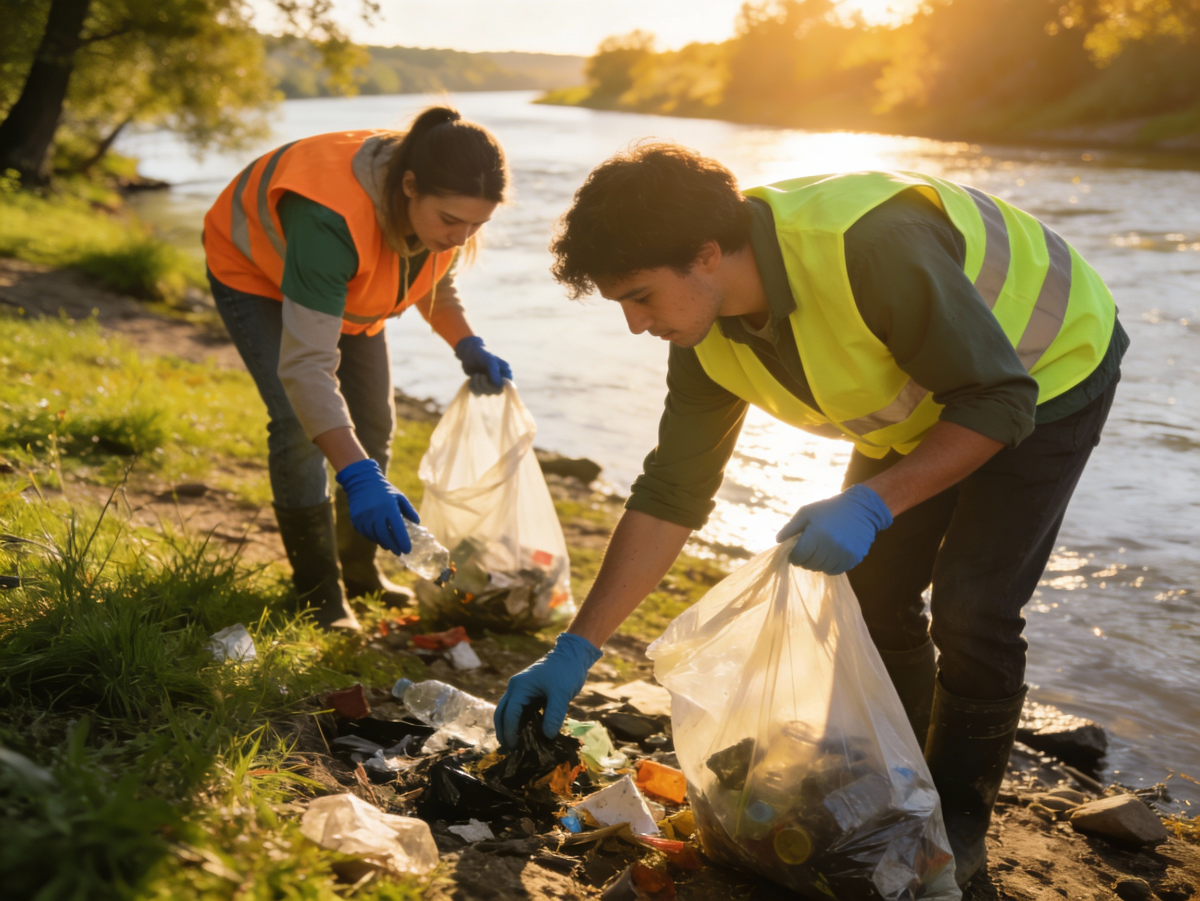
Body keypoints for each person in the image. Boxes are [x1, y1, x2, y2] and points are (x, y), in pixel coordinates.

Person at [496, 144, 1126, 886]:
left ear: (706, 254)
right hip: (927, 395)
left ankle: (957, 822)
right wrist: (576, 648)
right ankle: (903, 787)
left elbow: (998, 398)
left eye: (641, 297)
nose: (636, 325)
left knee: (974, 609)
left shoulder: (870, 249)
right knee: (871, 595)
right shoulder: (702, 334)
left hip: (1043, 372)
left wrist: (873, 501)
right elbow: (671, 492)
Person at [202, 107, 512, 630]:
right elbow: (306, 367)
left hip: (337, 285)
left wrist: (467, 342)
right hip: (256, 272)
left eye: (477, 225)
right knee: (298, 423)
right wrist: (357, 474)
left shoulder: (442, 205)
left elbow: (433, 279)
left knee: (373, 423)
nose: (462, 237)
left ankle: (361, 572)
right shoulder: (331, 217)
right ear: (409, 187)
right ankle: (319, 592)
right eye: (451, 222)